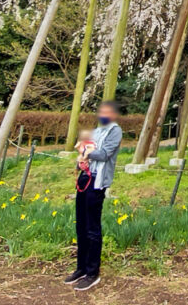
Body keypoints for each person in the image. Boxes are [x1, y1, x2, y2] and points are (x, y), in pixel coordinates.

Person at [64, 101, 123, 291]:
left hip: (97, 183)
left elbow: (104, 154)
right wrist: (82, 158)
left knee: (92, 227)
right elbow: (84, 149)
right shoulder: (95, 131)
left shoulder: (115, 131)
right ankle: (81, 267)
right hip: (85, 178)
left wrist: (86, 152)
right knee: (81, 225)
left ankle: (92, 272)